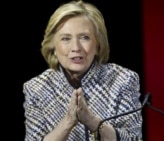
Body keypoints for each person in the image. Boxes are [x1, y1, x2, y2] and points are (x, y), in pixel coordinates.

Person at [22, 0, 143, 141]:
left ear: (98, 44)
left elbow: (133, 139)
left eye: (84, 37)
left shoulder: (123, 80)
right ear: (53, 47)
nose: (76, 47)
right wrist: (68, 122)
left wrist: (91, 121)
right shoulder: (36, 88)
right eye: (66, 38)